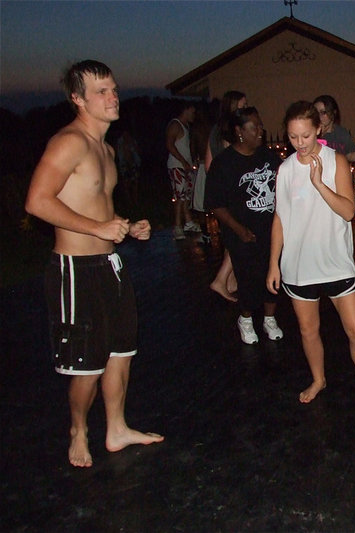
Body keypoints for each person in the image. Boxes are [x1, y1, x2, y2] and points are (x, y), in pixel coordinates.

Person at [24, 60, 164, 467]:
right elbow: (36, 201)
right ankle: (78, 429)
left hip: (109, 265)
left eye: (114, 88)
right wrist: (99, 228)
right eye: (101, 91)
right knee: (87, 365)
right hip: (75, 269)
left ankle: (116, 429)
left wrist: (124, 226)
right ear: (77, 100)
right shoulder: (69, 142)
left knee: (122, 352)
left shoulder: (104, 148)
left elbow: (97, 204)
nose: (112, 97)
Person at [267, 101, 355, 408]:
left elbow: (348, 212)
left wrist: (320, 184)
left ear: (318, 129)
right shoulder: (285, 170)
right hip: (298, 266)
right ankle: (318, 379)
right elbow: (280, 218)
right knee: (309, 331)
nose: (299, 143)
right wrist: (273, 264)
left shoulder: (336, 162)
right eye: (293, 137)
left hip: (336, 264)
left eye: (305, 135)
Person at [205, 107, 284, 344]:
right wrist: (238, 229)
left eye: (260, 126)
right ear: (240, 132)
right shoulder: (225, 163)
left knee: (274, 275)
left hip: (270, 229)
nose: (260, 131)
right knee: (249, 278)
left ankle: (269, 319)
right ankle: (246, 318)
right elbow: (215, 203)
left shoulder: (268, 157)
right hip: (242, 232)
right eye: (254, 127)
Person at [205, 90, 248, 302]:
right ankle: (221, 280)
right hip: (233, 190)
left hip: (220, 190)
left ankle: (231, 281)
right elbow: (234, 161)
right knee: (239, 234)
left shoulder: (215, 130)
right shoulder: (231, 130)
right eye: (241, 106)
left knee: (232, 235)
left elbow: (207, 164)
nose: (244, 109)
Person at [166, 101, 200, 240]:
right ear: (185, 110)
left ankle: (188, 222)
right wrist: (183, 161)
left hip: (185, 166)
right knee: (179, 197)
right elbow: (169, 145)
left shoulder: (186, 126)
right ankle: (177, 226)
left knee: (186, 196)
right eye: (192, 112)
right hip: (177, 166)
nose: (194, 115)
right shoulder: (175, 125)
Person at [313, 95, 355, 163]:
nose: (319, 116)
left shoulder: (341, 133)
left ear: (333, 113)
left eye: (323, 112)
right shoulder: (311, 132)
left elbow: (349, 155)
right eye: (316, 113)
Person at [115, 126, 141, 205]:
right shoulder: (119, 142)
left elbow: (137, 151)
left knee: (135, 183)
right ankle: (129, 201)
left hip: (133, 164)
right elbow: (117, 153)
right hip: (124, 165)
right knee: (126, 183)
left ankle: (135, 200)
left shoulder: (132, 141)